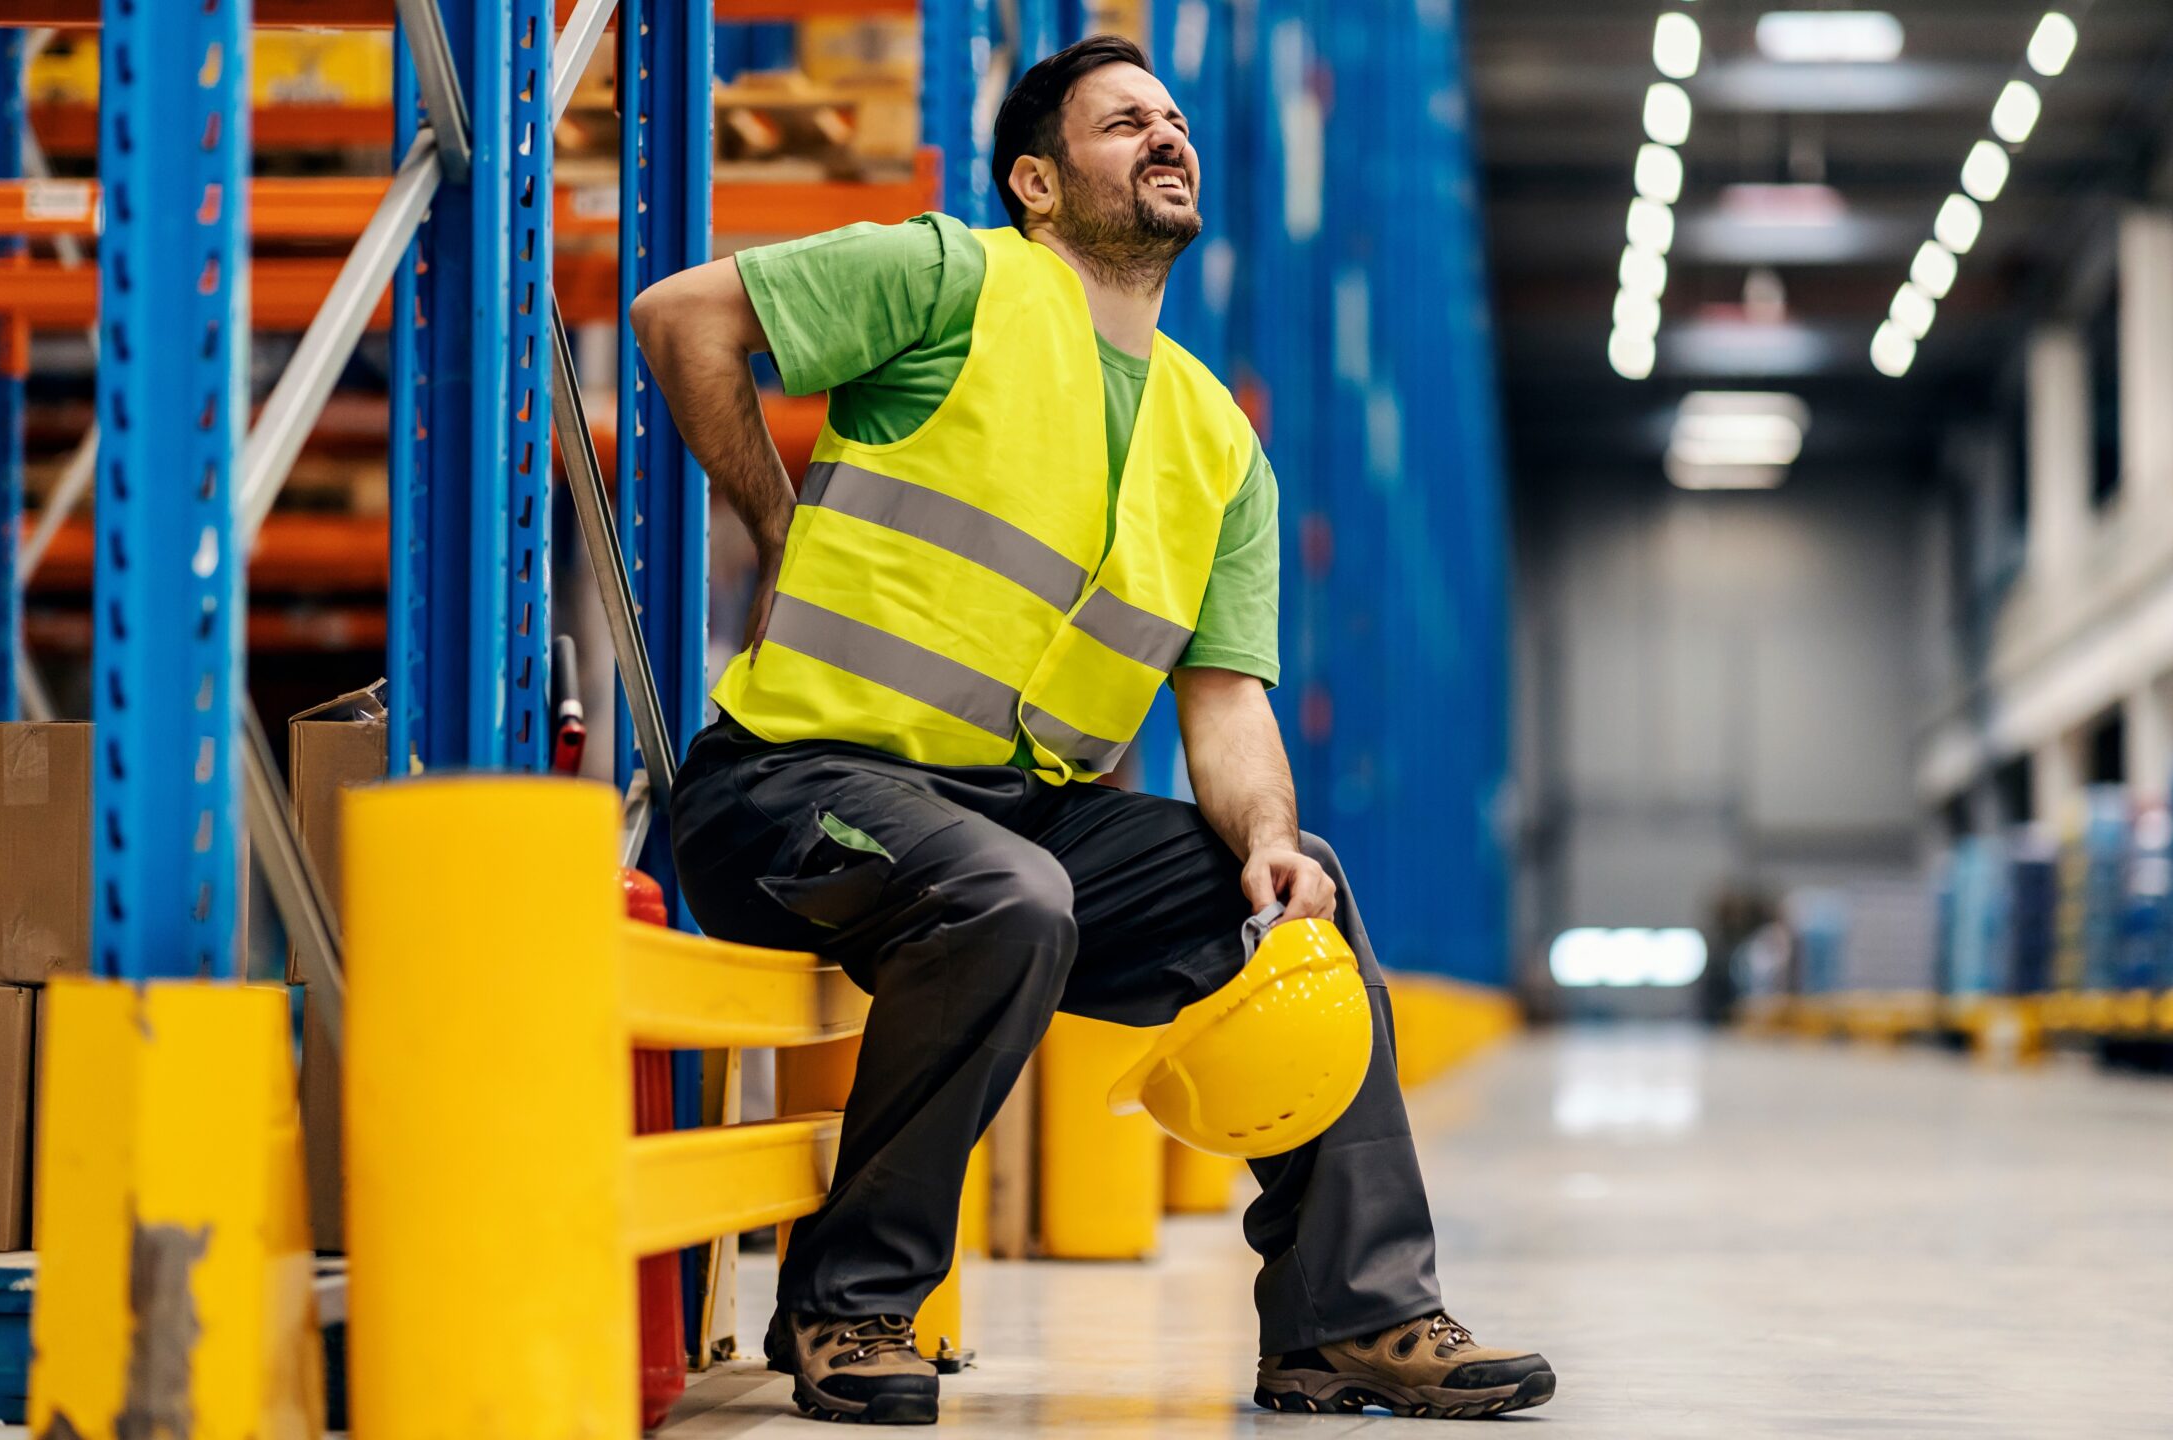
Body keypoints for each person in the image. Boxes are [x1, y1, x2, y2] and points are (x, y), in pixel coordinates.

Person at [627, 34, 1555, 1426]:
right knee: (1012, 894)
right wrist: (773, 518)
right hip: (790, 792)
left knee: (1298, 903)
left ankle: (1350, 1317)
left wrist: (1268, 841)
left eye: (1173, 119)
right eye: (1124, 122)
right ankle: (849, 1305)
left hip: (1012, 816)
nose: (1166, 134)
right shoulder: (951, 277)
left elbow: (1225, 699)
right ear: (1038, 183)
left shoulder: (1216, 441)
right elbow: (681, 317)